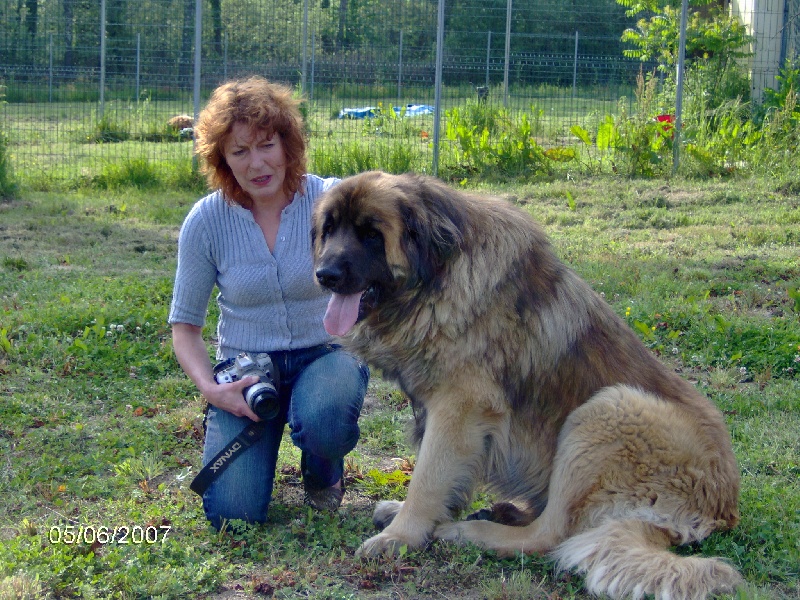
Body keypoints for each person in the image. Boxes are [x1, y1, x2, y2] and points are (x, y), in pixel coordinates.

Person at [168, 76, 368, 529]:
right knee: (232, 515)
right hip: (248, 372)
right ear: (222, 158)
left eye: (266, 145)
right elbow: (185, 328)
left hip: (326, 352)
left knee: (325, 417)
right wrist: (211, 389)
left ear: (288, 144)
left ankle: (323, 466)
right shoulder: (206, 221)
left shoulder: (331, 200)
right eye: (239, 151)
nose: (256, 163)